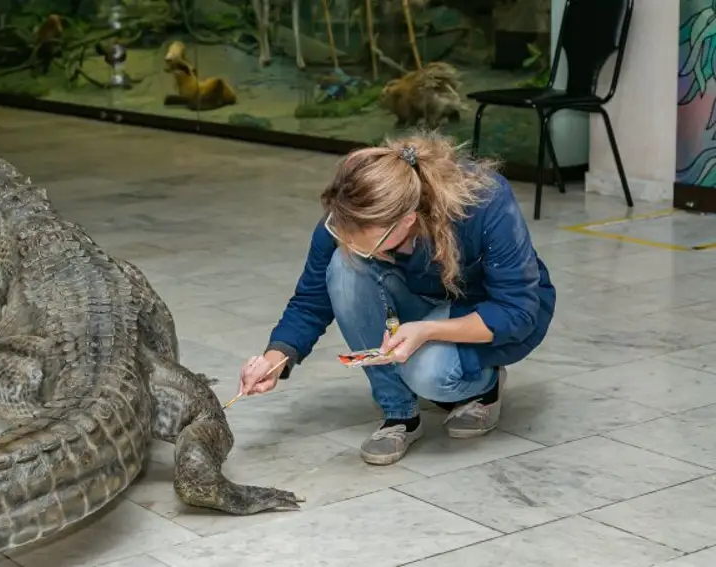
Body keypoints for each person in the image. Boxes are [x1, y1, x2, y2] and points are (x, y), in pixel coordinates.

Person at [237, 131, 556, 466]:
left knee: (430, 376)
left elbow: (517, 310)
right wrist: (274, 360)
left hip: (479, 311)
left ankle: (484, 387)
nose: (357, 247)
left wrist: (426, 331)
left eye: (370, 245)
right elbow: (311, 300)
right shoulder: (349, 214)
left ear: (406, 221)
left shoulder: (485, 200)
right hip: (416, 299)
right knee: (343, 268)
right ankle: (399, 412)